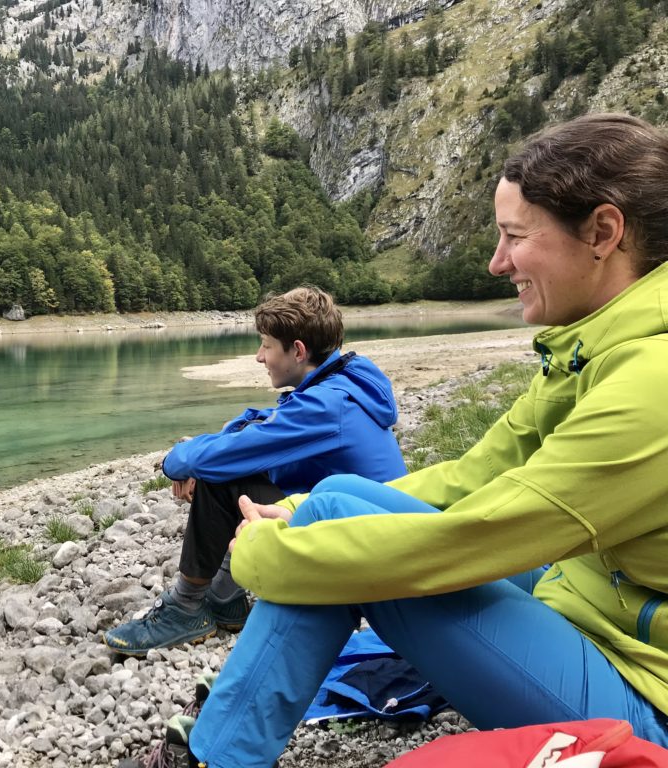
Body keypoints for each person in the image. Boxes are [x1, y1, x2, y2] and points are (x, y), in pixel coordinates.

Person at [125, 112, 668, 767]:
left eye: (514, 237)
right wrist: (296, 513)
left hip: (645, 701)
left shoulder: (653, 382)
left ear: (604, 233)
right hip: (592, 611)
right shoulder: (593, 351)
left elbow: (483, 537)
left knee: (333, 539)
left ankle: (215, 754)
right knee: (335, 499)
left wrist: (267, 559)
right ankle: (221, 746)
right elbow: (472, 477)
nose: (497, 263)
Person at [103, 286, 406, 655]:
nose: (259, 356)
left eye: (266, 345)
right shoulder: (344, 381)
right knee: (230, 467)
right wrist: (216, 449)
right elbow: (262, 425)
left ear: (297, 350)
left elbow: (236, 451)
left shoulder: (327, 406)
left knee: (221, 475)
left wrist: (175, 461)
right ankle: (225, 600)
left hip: (365, 556)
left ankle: (184, 608)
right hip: (367, 530)